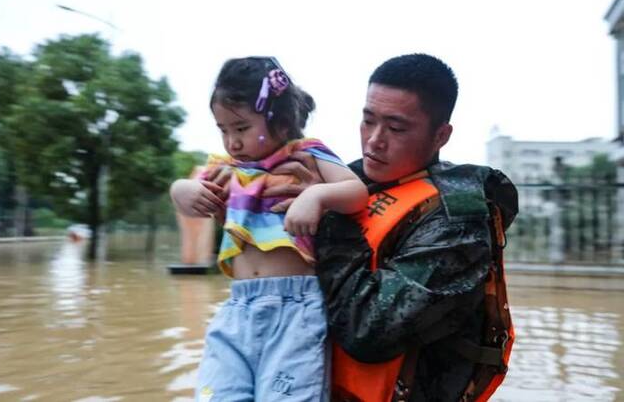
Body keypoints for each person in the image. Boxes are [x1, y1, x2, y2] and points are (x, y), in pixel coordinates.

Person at [264, 53, 519, 401]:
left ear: (440, 135)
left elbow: (369, 330)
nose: (374, 140)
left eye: (396, 128)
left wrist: (329, 212)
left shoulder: (459, 219)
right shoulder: (344, 179)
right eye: (368, 121)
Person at [170, 56, 368, 402]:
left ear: (279, 121)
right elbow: (185, 193)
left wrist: (317, 196)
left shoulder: (308, 155)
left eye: (241, 128)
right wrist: (181, 191)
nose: (231, 141)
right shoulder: (227, 169)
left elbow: (356, 192)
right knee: (217, 395)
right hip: (238, 305)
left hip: (296, 307)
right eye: (223, 130)